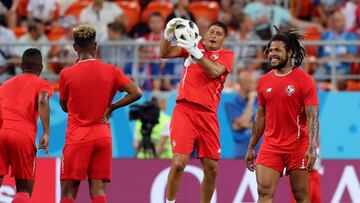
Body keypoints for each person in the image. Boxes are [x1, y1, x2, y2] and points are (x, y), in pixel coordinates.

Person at [59, 24, 142, 203]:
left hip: (77, 137)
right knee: (98, 190)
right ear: (95, 45)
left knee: (68, 191)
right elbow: (136, 92)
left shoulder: (67, 74)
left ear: (75, 47)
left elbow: (64, 107)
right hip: (102, 136)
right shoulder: (110, 70)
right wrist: (111, 107)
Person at [160, 19, 234, 203]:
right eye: (211, 32)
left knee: (212, 169)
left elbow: (215, 72)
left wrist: (196, 53)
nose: (214, 36)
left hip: (208, 115)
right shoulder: (192, 44)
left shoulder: (226, 55)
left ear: (224, 39)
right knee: (179, 163)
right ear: (205, 33)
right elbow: (164, 52)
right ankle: (169, 202)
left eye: (219, 33)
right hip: (185, 110)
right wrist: (167, 35)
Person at [245, 26, 319, 203]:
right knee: (264, 192)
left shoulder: (304, 80)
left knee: (300, 195)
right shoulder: (264, 81)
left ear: (290, 52)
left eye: (277, 50)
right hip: (271, 146)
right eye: (270, 50)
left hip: (298, 145)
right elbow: (260, 115)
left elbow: (313, 117)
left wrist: (311, 148)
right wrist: (251, 146)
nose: (272, 54)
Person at [0, 48, 53, 202]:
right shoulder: (42, 83)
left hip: (2, 132)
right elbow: (43, 100)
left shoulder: (5, 85)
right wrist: (46, 132)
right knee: (23, 191)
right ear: (41, 69)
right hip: (22, 135)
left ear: (21, 66)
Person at [225, 71, 261, 158]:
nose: (256, 85)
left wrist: (247, 125)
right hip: (242, 152)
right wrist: (250, 101)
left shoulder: (260, 101)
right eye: (252, 83)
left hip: (260, 151)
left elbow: (267, 124)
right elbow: (244, 123)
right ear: (244, 85)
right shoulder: (231, 103)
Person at [133, 92, 172, 159]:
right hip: (162, 160)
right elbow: (161, 145)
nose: (165, 103)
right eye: (163, 100)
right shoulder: (167, 119)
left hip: (141, 159)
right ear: (158, 103)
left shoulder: (141, 119)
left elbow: (136, 143)